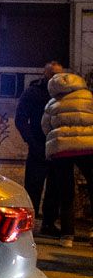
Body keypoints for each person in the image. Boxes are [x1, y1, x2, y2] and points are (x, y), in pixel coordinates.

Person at [40, 71, 93, 247]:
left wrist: (57, 138)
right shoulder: (88, 96)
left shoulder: (52, 103)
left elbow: (45, 126)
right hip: (88, 147)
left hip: (61, 150)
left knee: (66, 192)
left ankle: (67, 235)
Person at [15, 60, 64, 224]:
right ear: (46, 75)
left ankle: (49, 223)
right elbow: (20, 119)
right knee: (33, 188)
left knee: (55, 188)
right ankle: (30, 224)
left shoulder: (63, 94)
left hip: (58, 147)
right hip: (39, 146)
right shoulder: (33, 92)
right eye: (53, 75)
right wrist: (32, 142)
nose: (56, 78)